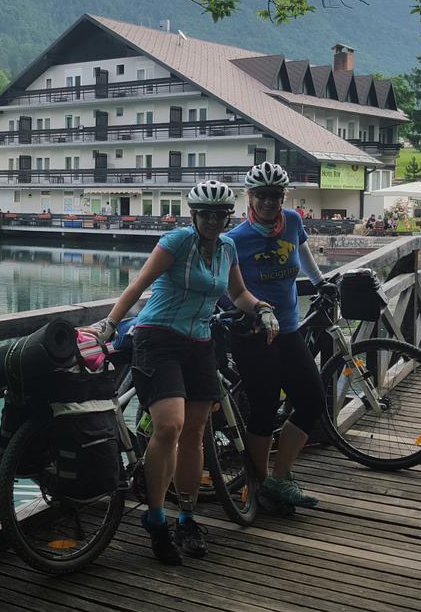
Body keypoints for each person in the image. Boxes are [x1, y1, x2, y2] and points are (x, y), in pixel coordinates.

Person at [83, 180, 278, 565]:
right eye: (206, 214)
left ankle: (187, 517)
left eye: (220, 214)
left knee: (196, 433)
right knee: (170, 425)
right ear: (194, 215)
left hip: (201, 343)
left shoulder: (228, 247)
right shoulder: (176, 242)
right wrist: (108, 325)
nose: (213, 221)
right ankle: (155, 518)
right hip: (158, 339)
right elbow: (139, 284)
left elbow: (237, 294)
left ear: (227, 217)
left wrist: (262, 308)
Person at [226, 161, 332, 515]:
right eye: (262, 195)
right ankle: (258, 484)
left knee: (313, 398)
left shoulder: (294, 221)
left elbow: (301, 252)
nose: (270, 202)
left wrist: (320, 282)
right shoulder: (235, 240)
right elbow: (223, 287)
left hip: (287, 328)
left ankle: (281, 477)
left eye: (276, 195)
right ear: (250, 197)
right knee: (264, 406)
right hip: (253, 334)